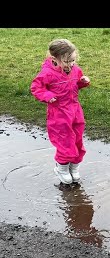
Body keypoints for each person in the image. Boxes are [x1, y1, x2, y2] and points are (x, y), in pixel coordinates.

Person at [31, 38, 90, 184]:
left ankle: (74, 168)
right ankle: (61, 168)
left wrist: (82, 82)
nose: (70, 64)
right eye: (67, 61)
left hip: (75, 110)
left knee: (77, 140)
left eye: (73, 60)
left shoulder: (75, 69)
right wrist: (47, 96)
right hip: (59, 113)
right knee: (65, 142)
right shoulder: (47, 73)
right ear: (54, 59)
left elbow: (75, 85)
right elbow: (36, 88)